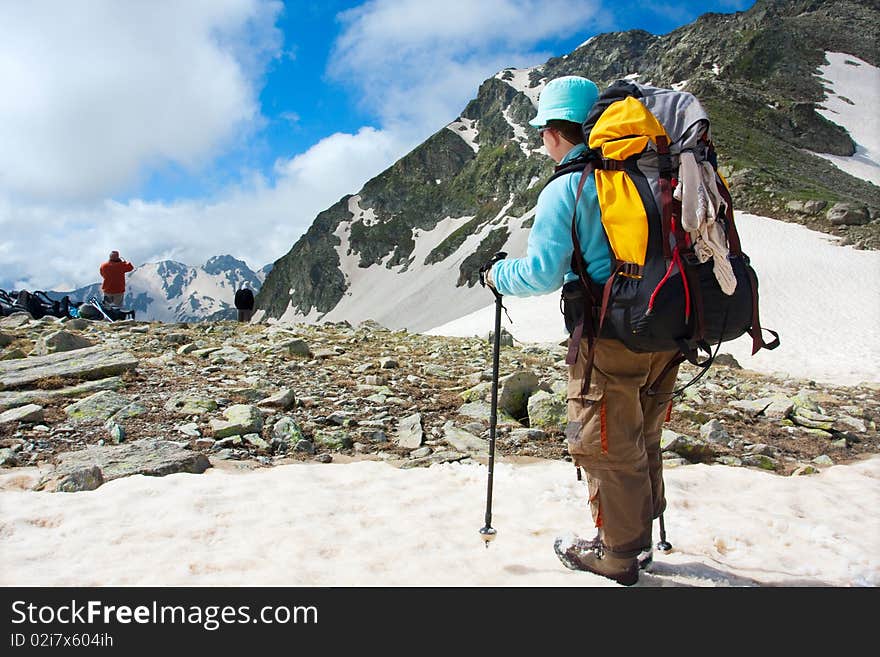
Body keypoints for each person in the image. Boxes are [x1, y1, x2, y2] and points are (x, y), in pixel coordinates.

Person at [483, 76, 681, 586]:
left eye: (542, 132)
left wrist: (495, 275)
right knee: (644, 434)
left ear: (553, 132)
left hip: (609, 335)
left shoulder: (569, 185)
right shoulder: (649, 172)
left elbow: (543, 273)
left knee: (604, 443)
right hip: (666, 328)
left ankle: (617, 554)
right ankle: (640, 538)